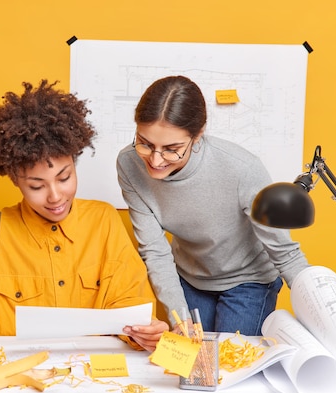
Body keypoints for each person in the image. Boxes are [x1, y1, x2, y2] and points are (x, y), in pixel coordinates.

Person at [0, 80, 168, 351]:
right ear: (15, 180)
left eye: (64, 177)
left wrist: (145, 332)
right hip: (13, 383)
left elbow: (131, 310)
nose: (55, 196)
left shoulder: (103, 221)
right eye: (36, 186)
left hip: (91, 380)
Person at [116, 75, 310, 336]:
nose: (156, 160)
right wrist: (179, 319)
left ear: (198, 135)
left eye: (172, 148)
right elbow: (155, 251)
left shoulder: (242, 168)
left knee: (233, 366)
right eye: (145, 143)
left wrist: (319, 308)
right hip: (190, 277)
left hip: (249, 279)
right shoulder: (129, 164)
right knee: (194, 366)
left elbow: (284, 252)